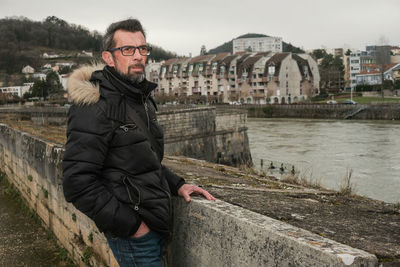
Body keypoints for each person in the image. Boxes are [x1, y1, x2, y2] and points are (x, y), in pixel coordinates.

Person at [62, 18, 215, 267]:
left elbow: (141, 160)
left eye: (142, 49)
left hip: (153, 222)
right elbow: (76, 183)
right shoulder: (95, 106)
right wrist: (133, 227)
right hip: (135, 236)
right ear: (109, 58)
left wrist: (177, 185)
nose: (138, 56)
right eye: (128, 49)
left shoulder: (137, 98)